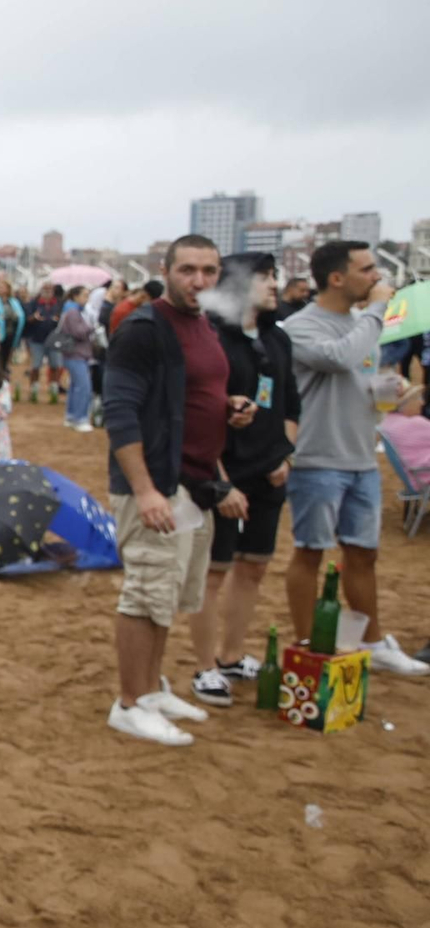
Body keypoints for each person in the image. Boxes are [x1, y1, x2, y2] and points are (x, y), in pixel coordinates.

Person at [103, 235, 250, 736]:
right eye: (188, 269)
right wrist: (145, 490)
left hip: (195, 482)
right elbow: (119, 412)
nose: (199, 280)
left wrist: (228, 408)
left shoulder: (204, 325)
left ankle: (149, 689)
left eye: (209, 271)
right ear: (167, 271)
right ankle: (128, 703)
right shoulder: (144, 328)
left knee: (166, 594)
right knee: (145, 593)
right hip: (156, 485)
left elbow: (192, 395)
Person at [279, 241, 429, 676]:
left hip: (361, 457)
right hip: (316, 458)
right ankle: (309, 645)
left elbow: (356, 376)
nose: (378, 278)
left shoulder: (361, 324)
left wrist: (387, 391)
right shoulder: (301, 327)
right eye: (367, 270)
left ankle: (373, 640)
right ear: (337, 278)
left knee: (363, 554)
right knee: (310, 552)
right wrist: (377, 311)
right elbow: (339, 358)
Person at [191, 253, 299, 695]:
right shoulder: (214, 339)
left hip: (271, 474)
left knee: (254, 567)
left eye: (274, 276)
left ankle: (232, 657)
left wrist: (286, 455)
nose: (274, 285)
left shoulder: (278, 340)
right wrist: (221, 481)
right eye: (264, 277)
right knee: (212, 573)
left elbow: (292, 403)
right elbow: (200, 416)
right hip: (224, 475)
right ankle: (204, 667)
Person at [57, 285, 97, 431]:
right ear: (75, 296)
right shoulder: (74, 312)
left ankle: (72, 415)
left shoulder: (71, 310)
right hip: (76, 354)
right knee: (83, 386)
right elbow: (78, 332)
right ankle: (80, 418)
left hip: (73, 354)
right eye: (85, 295)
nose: (87, 299)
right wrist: (92, 327)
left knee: (76, 386)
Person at [23, 283, 63, 400]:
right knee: (35, 365)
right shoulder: (34, 303)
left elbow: (63, 319)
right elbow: (27, 318)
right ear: (41, 290)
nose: (47, 291)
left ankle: (54, 388)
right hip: (37, 339)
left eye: (49, 289)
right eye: (45, 289)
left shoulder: (58, 304)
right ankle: (34, 389)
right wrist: (34, 318)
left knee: (55, 365)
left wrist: (58, 320)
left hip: (54, 340)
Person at [0, 274, 25, 373]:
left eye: (3, 287)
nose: (1, 289)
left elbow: (20, 315)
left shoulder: (13, 302)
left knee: (6, 354)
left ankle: (4, 372)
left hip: (11, 333)